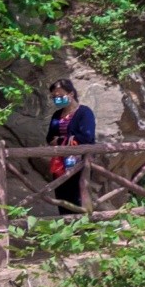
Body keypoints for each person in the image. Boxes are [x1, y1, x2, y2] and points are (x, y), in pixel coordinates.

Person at [45, 82, 98, 214]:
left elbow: (86, 137)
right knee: (62, 194)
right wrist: (66, 140)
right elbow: (49, 138)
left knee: (78, 195)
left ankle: (84, 224)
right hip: (60, 162)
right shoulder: (57, 115)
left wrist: (60, 140)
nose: (57, 99)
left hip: (80, 162)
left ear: (71, 94)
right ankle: (65, 225)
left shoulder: (84, 112)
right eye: (54, 97)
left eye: (60, 96)